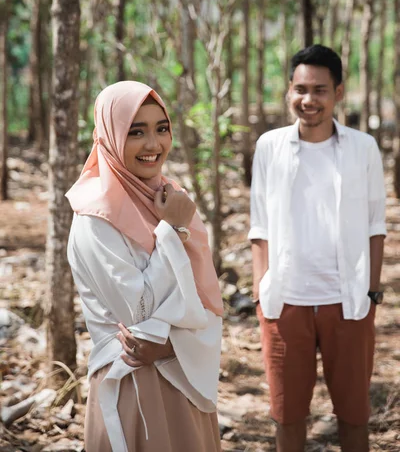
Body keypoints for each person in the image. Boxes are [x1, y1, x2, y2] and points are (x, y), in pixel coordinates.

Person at [66, 81, 223, 452]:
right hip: (132, 384)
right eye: (136, 132)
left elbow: (202, 301)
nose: (153, 145)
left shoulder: (165, 197)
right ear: (110, 134)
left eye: (161, 128)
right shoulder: (95, 216)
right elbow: (137, 310)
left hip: (181, 374)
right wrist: (174, 230)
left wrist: (173, 345)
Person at [249, 45, 386, 452]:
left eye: (320, 90)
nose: (309, 100)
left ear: (338, 93)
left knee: (354, 416)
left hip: (349, 303)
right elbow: (260, 225)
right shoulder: (269, 146)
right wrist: (261, 292)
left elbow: (375, 226)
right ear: (289, 91)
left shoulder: (363, 148)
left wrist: (372, 292)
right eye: (301, 89)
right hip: (285, 302)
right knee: (287, 416)